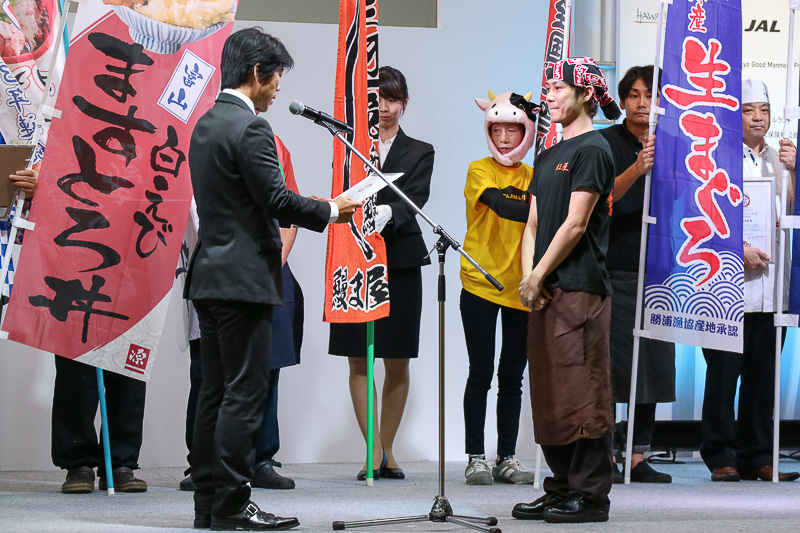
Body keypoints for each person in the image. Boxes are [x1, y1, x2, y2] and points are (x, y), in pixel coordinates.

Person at [186, 27, 359, 531]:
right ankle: (234, 505)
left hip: (210, 278)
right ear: (257, 72)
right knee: (244, 394)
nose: (279, 87)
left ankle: (209, 505)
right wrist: (334, 209)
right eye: (277, 75)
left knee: (214, 393)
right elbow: (278, 202)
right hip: (244, 281)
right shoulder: (252, 128)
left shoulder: (205, 124)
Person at [515, 57, 620, 523]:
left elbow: (577, 223)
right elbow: (533, 223)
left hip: (580, 288)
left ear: (585, 94)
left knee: (584, 390)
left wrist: (540, 275)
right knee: (550, 391)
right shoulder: (545, 154)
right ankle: (560, 488)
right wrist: (529, 277)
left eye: (559, 88)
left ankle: (591, 495)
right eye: (549, 88)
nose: (550, 96)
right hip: (545, 289)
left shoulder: (594, 150)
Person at [329, 66, 434, 481]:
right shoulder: (348, 144)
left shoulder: (420, 150)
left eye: (392, 99)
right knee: (358, 358)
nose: (384, 108)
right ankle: (373, 449)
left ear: (404, 103)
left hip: (402, 263)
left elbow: (417, 200)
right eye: (376, 99)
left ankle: (386, 449)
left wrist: (389, 212)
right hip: (354, 259)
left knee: (398, 359)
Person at [180, 137, 301, 492]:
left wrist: (273, 263)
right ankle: (201, 463)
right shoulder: (198, 138)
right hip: (217, 267)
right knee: (207, 372)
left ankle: (261, 458)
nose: (277, 87)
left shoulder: (277, 144)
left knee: (267, 368)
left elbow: (288, 212)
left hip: (268, 268)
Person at [700, 78, 799, 483]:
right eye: (747, 109)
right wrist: (737, 248)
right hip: (728, 282)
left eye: (763, 109)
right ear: (733, 114)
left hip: (772, 285)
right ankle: (720, 453)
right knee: (723, 373)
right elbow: (707, 214)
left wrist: (796, 171)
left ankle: (758, 452)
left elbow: (789, 213)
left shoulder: (782, 158)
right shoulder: (717, 157)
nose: (757, 117)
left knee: (763, 374)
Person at [599, 65, 674, 484]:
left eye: (651, 94)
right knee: (613, 363)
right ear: (623, 100)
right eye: (634, 94)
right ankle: (606, 452)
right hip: (619, 264)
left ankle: (638, 453)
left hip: (662, 267)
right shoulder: (607, 142)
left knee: (653, 363)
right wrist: (638, 167)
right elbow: (602, 197)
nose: (643, 103)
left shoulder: (676, 141)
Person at [460, 89, 539, 485]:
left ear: (526, 130)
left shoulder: (534, 173)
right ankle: (475, 455)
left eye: (513, 129)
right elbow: (504, 205)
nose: (505, 137)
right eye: (498, 129)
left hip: (521, 286)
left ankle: (506, 457)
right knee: (481, 371)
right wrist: (534, 202)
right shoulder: (479, 169)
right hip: (479, 281)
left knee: (512, 375)